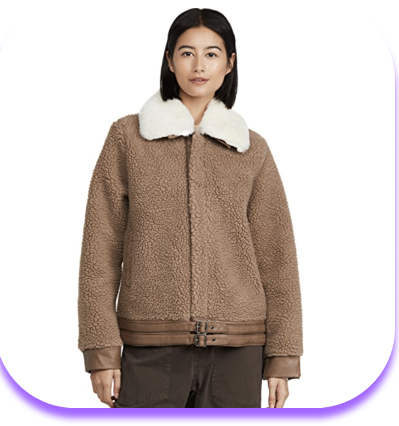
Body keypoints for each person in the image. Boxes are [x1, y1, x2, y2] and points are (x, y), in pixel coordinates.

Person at [78, 8, 303, 409]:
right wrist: (101, 350)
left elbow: (277, 257)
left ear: (230, 63)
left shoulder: (252, 149)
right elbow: (100, 249)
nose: (199, 66)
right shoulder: (127, 138)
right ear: (169, 60)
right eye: (187, 53)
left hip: (239, 350)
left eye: (212, 54)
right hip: (149, 346)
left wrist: (282, 358)